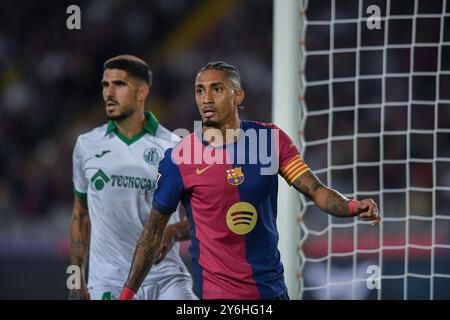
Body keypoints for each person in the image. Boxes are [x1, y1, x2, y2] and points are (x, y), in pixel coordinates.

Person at [119, 61, 381, 300]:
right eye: (200, 91)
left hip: (272, 290)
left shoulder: (271, 141)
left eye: (217, 89)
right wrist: (127, 295)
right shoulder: (180, 157)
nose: (206, 98)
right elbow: (152, 231)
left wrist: (350, 206)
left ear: (238, 96)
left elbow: (316, 191)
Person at [70, 55, 197, 300]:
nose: (109, 93)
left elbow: (201, 218)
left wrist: (171, 233)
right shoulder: (86, 145)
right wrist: (76, 282)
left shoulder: (175, 146)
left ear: (141, 93)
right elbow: (80, 215)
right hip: (108, 281)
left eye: (119, 84)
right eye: (105, 85)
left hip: (165, 278)